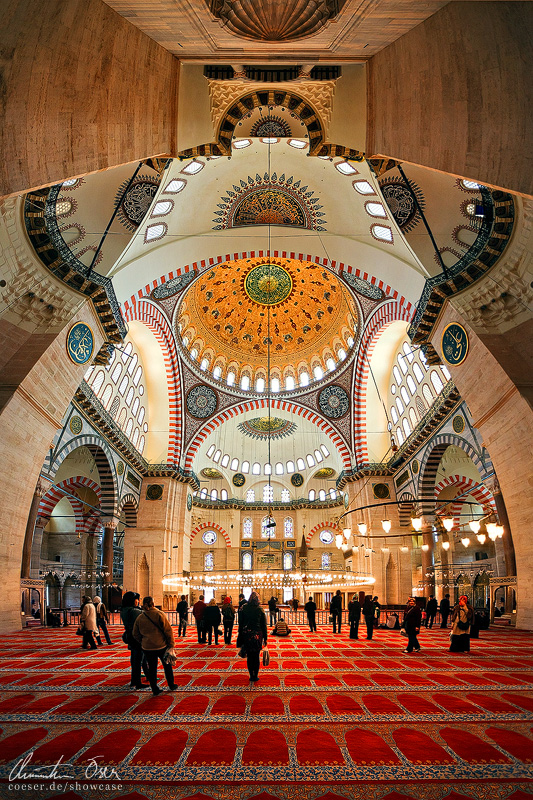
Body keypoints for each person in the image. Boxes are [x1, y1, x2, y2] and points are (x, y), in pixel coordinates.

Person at [132, 596, 178, 695]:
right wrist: (171, 644)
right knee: (167, 666)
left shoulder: (140, 617)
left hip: (147, 647)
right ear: (153, 603)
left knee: (152, 668)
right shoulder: (159, 614)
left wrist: (143, 641)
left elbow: (135, 633)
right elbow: (168, 630)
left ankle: (154, 688)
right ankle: (171, 684)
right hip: (161, 645)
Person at [121, 591, 150, 689]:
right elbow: (146, 618)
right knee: (138, 660)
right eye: (137, 600)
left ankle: (134, 680)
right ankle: (138, 682)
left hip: (130, 636)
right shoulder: (134, 611)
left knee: (134, 658)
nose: (138, 601)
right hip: (137, 637)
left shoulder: (124, 609)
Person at [237, 590, 267, 682]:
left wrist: (240, 635)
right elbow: (264, 625)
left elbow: (240, 623)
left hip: (247, 635)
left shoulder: (243, 608)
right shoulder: (260, 609)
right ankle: (256, 675)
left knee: (249, 655)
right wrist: (265, 638)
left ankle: (251, 675)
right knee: (256, 656)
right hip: (257, 635)